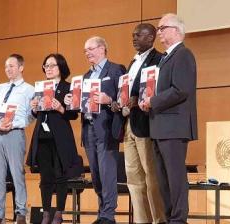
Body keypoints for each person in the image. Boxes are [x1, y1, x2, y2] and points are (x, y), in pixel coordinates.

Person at [139, 13, 198, 223]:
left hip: (174, 127)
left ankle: (179, 219)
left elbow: (181, 90)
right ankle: (171, 216)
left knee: (175, 178)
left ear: (175, 30)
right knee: (163, 179)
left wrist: (152, 101)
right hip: (160, 127)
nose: (159, 32)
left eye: (162, 28)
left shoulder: (183, 54)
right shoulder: (166, 58)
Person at [64, 36, 126, 224]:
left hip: (107, 128)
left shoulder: (116, 70)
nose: (87, 53)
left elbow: (123, 98)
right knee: (96, 174)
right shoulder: (85, 77)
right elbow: (80, 105)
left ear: (102, 48)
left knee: (107, 173)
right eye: (85, 50)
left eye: (90, 49)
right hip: (88, 129)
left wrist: (109, 100)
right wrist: (70, 102)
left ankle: (108, 215)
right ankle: (102, 213)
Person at [113, 23, 165, 224]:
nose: (134, 38)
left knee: (151, 177)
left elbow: (158, 91)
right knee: (133, 179)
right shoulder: (132, 62)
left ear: (151, 37)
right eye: (133, 35)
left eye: (138, 35)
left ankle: (159, 219)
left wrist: (141, 99)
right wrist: (121, 102)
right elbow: (127, 91)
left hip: (146, 125)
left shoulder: (159, 60)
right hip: (129, 124)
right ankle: (142, 220)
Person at [27, 54, 82, 224]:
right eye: (46, 65)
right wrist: (34, 108)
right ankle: (45, 213)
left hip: (60, 137)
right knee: (45, 177)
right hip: (42, 136)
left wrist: (61, 108)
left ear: (61, 67)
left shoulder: (69, 86)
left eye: (52, 65)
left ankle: (58, 213)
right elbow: (36, 114)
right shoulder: (41, 87)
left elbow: (74, 114)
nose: (48, 68)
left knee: (60, 175)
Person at [0, 54, 35, 224]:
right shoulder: (0, 88)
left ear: (21, 67)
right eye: (6, 67)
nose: (8, 69)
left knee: (17, 174)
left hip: (14, 134)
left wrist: (12, 124)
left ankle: (20, 212)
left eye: (12, 66)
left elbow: (30, 117)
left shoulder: (29, 89)